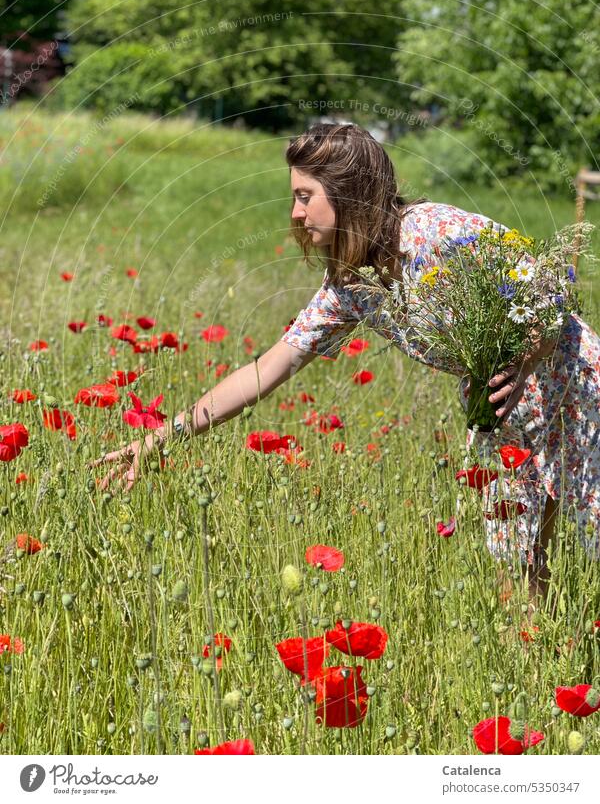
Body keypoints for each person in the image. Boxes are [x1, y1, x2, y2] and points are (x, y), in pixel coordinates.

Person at [91, 122, 600, 607]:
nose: (295, 213)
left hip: (574, 388)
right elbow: (265, 371)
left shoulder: (436, 231)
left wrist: (521, 363)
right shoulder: (350, 289)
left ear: (350, 192)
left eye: (305, 196)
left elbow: (551, 289)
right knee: (517, 568)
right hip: (500, 413)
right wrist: (160, 437)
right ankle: (541, 664)